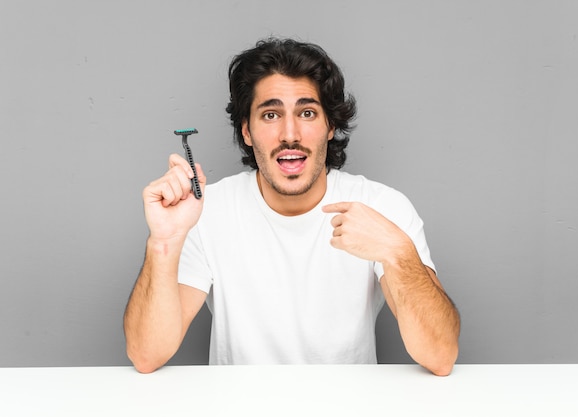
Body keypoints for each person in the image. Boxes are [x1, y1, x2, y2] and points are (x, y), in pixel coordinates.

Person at [124, 38, 460, 376]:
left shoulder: (381, 206)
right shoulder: (206, 212)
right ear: (247, 131)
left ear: (330, 126)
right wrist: (163, 242)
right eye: (271, 114)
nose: (290, 133)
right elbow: (147, 355)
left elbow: (440, 355)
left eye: (307, 112)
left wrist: (399, 253)